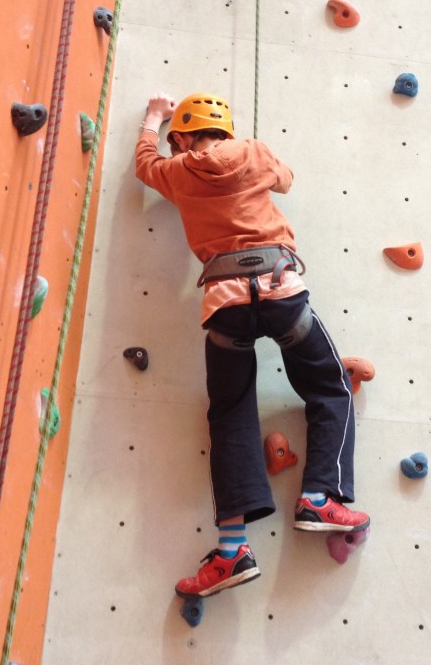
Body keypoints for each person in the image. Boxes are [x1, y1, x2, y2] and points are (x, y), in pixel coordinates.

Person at [135, 92, 369, 600]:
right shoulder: (254, 153)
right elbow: (286, 178)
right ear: (227, 130)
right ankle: (318, 498)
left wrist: (153, 119)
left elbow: (144, 165)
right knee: (330, 388)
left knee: (231, 415)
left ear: (182, 137)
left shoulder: (176, 170)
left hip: (224, 305)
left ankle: (232, 549)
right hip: (281, 288)